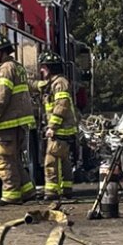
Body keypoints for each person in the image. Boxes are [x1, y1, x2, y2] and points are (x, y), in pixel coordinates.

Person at [0, 33, 36, 206]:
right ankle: (27, 191)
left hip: (9, 123)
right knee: (15, 159)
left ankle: (11, 195)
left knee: (4, 160)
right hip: (19, 122)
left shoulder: (5, 69)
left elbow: (1, 97)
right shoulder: (17, 67)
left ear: (3, 53)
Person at [37, 51, 79, 200]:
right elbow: (40, 86)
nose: (41, 70)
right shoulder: (56, 82)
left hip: (60, 129)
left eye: (43, 67)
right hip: (64, 130)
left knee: (51, 160)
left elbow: (61, 105)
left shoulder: (59, 83)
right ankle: (66, 189)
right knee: (64, 160)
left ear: (50, 68)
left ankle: (52, 192)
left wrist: (52, 127)